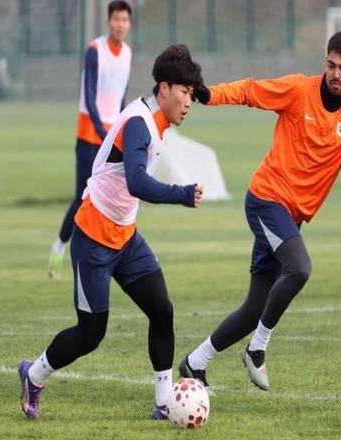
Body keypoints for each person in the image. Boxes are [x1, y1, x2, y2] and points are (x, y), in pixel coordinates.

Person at [179, 31, 341, 391]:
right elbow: (252, 91)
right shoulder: (299, 89)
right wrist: (210, 94)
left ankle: (194, 363)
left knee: (254, 309)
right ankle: (257, 350)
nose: (336, 73)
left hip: (289, 217)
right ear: (325, 62)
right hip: (266, 199)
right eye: (331, 65)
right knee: (299, 267)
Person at [18, 44, 205, 420]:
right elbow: (136, 182)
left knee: (161, 310)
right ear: (164, 88)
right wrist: (182, 194)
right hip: (92, 238)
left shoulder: (156, 122)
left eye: (192, 95)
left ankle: (164, 403)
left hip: (125, 237)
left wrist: (208, 90)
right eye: (184, 93)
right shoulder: (139, 123)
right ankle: (33, 376)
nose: (188, 102)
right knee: (90, 333)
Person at [48, 0, 133, 279]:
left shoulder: (128, 54)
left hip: (111, 137)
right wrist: (103, 133)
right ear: (109, 22)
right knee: (82, 196)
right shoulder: (95, 51)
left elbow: (120, 98)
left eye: (125, 20)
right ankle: (59, 246)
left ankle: (105, 253)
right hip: (90, 134)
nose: (120, 24)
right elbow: (89, 97)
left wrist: (124, 128)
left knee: (112, 198)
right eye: (116, 19)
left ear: (128, 24)